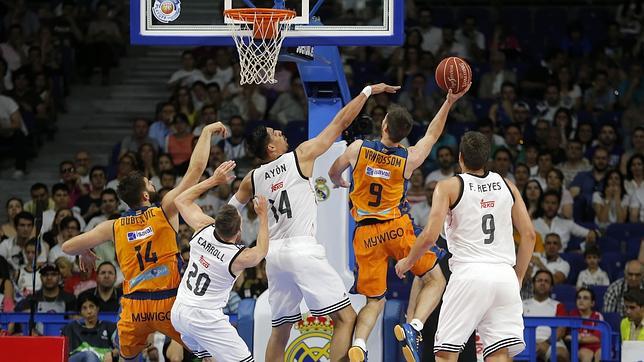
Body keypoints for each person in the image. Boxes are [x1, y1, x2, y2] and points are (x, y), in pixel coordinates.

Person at [228, 83, 402, 361]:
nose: (282, 132)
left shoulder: (252, 178)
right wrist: (368, 91)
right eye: (276, 133)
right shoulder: (300, 155)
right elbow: (340, 122)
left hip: (273, 255)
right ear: (271, 148)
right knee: (346, 318)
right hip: (301, 250)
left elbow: (230, 210)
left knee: (280, 330)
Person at [61, 122, 228, 360]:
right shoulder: (165, 211)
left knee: (126, 357)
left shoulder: (114, 225)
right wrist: (206, 131)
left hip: (134, 307)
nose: (153, 184)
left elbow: (68, 247)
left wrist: (85, 249)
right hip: (168, 301)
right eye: (150, 182)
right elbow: (195, 169)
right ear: (147, 194)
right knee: (206, 352)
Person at [329, 85, 471, 362]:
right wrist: (448, 102)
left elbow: (334, 171)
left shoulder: (358, 148)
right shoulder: (409, 158)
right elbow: (433, 134)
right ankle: (414, 326)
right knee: (434, 279)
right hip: (396, 228)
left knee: (374, 301)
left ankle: (359, 342)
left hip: (365, 235)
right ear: (404, 135)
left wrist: (339, 181)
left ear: (383, 125)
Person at [395, 131, 535, 361]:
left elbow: (430, 235)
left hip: (469, 274)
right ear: (486, 158)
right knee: (499, 353)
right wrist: (517, 277)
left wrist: (408, 261)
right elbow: (529, 235)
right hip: (504, 276)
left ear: (460, 158)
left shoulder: (448, 187)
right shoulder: (508, 185)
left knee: (445, 353)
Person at [171, 160, 270, 361]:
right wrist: (264, 216)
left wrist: (214, 180)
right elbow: (261, 251)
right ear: (238, 231)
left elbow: (180, 200)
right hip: (204, 317)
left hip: (179, 312)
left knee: (209, 358)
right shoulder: (237, 257)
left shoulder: (203, 227)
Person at [522, 270, 570, 362]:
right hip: (526, 341)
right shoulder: (522, 304)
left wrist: (546, 343)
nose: (543, 283)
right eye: (539, 280)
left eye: (546, 281)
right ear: (533, 284)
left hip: (551, 342)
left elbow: (561, 330)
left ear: (551, 287)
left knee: (562, 355)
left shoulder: (558, 305)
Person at [61, 293, 118, 362]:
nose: (89, 311)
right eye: (84, 308)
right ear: (80, 312)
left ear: (97, 308)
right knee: (89, 355)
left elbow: (122, 348)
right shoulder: (70, 328)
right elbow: (60, 352)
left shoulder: (109, 327)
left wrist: (112, 353)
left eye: (91, 306)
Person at [567, 288, 603, 362]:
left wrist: (580, 339)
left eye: (585, 298)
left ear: (592, 303)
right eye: (579, 298)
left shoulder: (598, 316)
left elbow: (597, 338)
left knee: (601, 354)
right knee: (586, 355)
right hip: (581, 348)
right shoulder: (571, 315)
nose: (581, 300)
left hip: (598, 347)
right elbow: (567, 336)